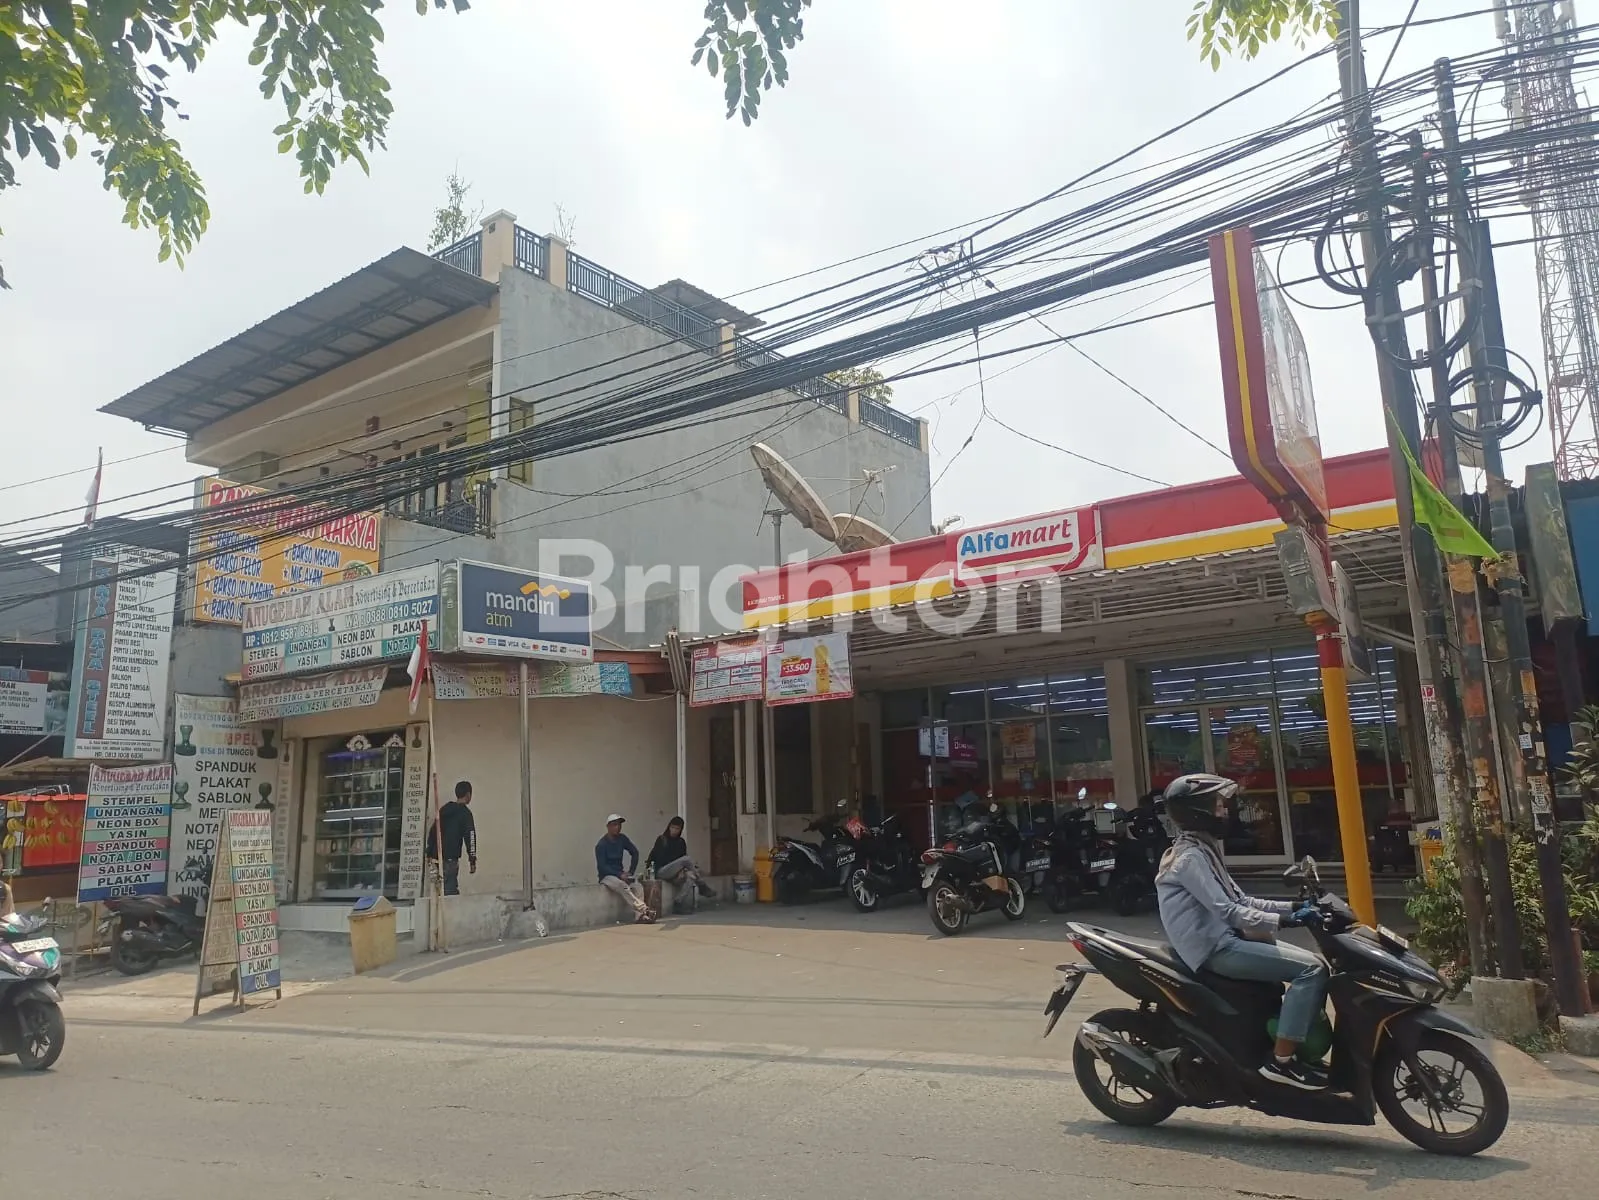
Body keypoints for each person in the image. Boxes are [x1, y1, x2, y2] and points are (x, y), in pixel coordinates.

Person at [1154, 773, 1328, 1090]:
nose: (1225, 812)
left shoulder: (1202, 849)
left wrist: (1295, 907)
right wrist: (1287, 920)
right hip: (1215, 950)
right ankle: (1281, 1062)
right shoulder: (1190, 858)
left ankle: (1286, 1041)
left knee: (1313, 965)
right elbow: (1230, 912)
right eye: (1219, 806)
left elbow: (1242, 900)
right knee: (1312, 970)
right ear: (1199, 812)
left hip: (1228, 939)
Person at [595, 814, 654, 923]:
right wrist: (619, 875)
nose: (617, 827)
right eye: (614, 825)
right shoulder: (601, 845)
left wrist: (631, 872)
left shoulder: (622, 839)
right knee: (621, 885)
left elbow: (635, 852)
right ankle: (643, 909)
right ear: (608, 827)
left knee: (637, 886)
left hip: (620, 874)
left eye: (619, 825)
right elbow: (602, 867)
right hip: (606, 877)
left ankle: (639, 917)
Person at [646, 817, 716, 909]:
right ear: (669, 827)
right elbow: (659, 859)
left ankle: (678, 902)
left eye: (677, 828)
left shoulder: (681, 842)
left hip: (675, 874)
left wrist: (684, 871)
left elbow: (683, 861)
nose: (674, 831)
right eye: (672, 827)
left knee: (691, 876)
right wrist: (678, 869)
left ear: (680, 830)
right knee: (686, 859)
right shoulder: (662, 839)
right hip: (662, 871)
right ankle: (702, 885)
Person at [424, 780, 478, 897]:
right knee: (450, 892)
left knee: (437, 891)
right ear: (468, 795)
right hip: (450, 859)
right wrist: (472, 860)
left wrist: (429, 852)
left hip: (435, 858)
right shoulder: (465, 814)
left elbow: (433, 831)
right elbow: (470, 838)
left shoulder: (444, 810)